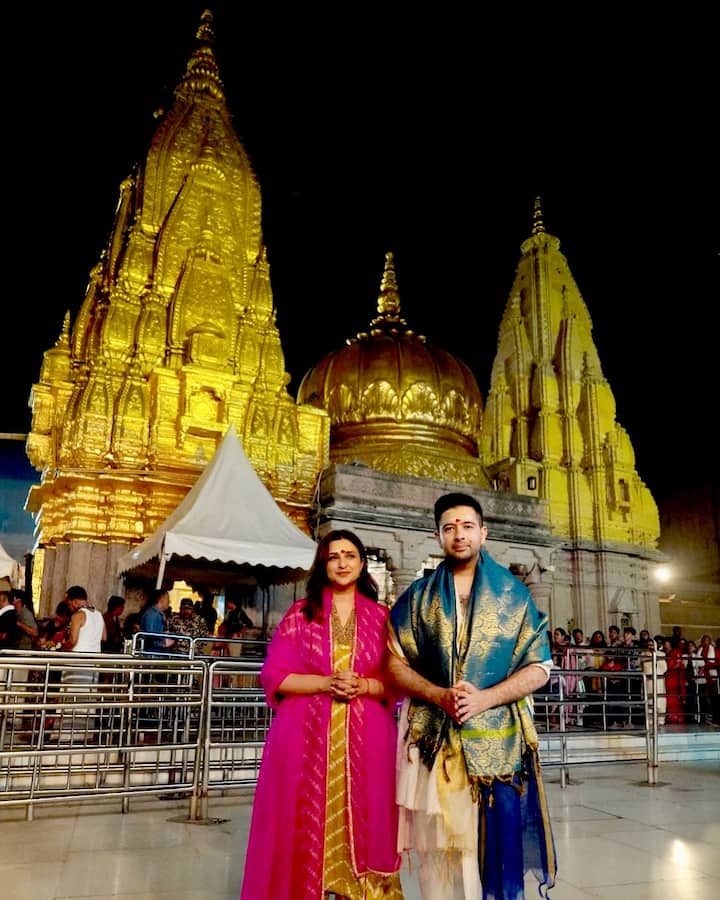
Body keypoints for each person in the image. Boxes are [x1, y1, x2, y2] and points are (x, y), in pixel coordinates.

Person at [387, 492, 556, 899]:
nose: (458, 535)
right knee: (439, 852)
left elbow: (540, 668)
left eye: (467, 527)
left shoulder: (514, 595)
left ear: (484, 532)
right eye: (449, 528)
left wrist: (485, 699)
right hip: (434, 739)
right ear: (437, 536)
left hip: (497, 742)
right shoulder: (419, 596)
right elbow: (393, 662)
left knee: (496, 848)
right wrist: (437, 693)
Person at [240, 529, 403, 900]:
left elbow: (394, 683)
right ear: (323, 564)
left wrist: (363, 687)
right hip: (305, 737)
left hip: (368, 739)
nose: (343, 563)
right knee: (301, 823)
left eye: (350, 555)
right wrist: (327, 682)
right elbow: (277, 677)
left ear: (362, 564)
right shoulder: (302, 614)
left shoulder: (382, 617)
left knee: (367, 821)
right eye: (334, 557)